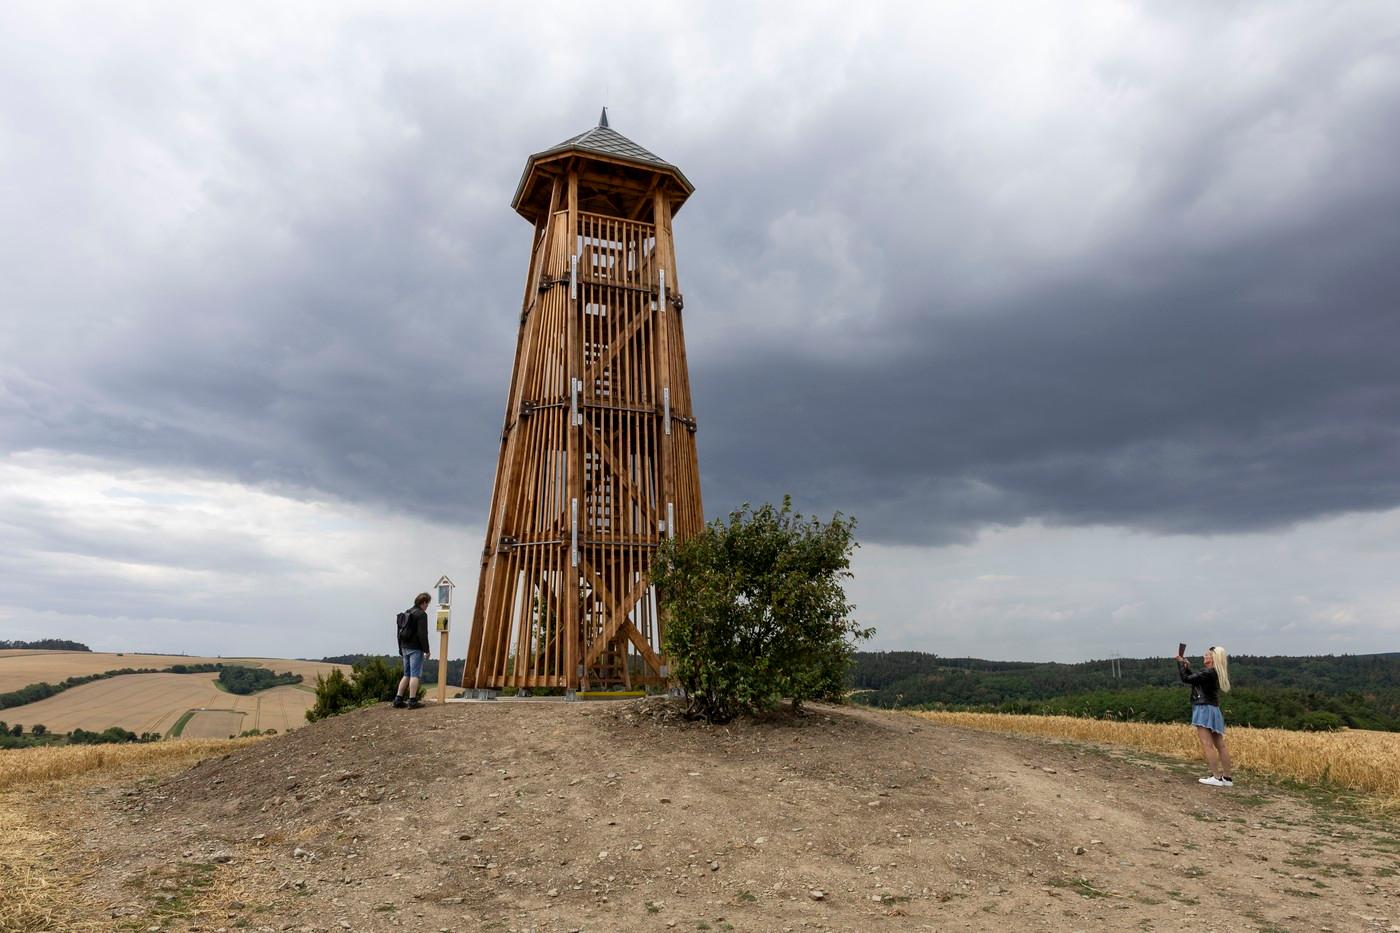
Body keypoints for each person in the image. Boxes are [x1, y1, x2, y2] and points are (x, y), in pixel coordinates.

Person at [1177, 645, 1233, 787]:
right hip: (1214, 709)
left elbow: (1186, 679)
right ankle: (1227, 778)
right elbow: (1195, 680)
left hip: (1203, 709)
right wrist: (1186, 667)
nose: (1204, 656)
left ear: (1212, 658)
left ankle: (1216, 777)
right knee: (1220, 745)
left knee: (1207, 744)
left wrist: (1180, 664)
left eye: (1207, 655)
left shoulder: (1207, 672)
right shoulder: (1215, 672)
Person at [393, 592, 432, 709]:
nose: (427, 606)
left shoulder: (407, 612)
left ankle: (398, 699)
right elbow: (422, 634)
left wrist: (400, 648)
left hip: (404, 647)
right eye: (427, 604)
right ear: (424, 602)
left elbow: (398, 633)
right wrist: (427, 650)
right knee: (415, 675)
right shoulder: (421, 615)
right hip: (415, 648)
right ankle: (412, 701)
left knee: (406, 674)